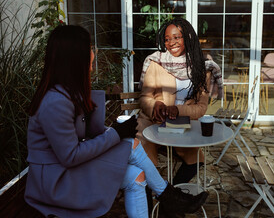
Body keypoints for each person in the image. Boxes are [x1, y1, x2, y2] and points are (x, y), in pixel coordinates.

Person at [24, 25, 208, 218]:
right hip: (56, 183)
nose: (94, 54)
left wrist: (114, 131)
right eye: (89, 49)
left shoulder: (68, 94)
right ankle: (170, 197)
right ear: (75, 58)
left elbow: (82, 136)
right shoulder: (56, 102)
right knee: (130, 144)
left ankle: (169, 197)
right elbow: (70, 156)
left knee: (136, 175)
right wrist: (116, 133)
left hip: (65, 171)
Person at [136, 18, 222, 214]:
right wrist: (155, 104)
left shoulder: (202, 66)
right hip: (153, 122)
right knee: (143, 161)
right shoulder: (155, 62)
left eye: (176, 37)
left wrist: (178, 110)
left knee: (196, 160)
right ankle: (155, 208)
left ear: (188, 37)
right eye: (167, 39)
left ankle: (169, 200)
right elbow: (145, 97)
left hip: (182, 124)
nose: (171, 42)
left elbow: (201, 108)